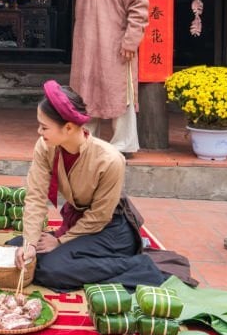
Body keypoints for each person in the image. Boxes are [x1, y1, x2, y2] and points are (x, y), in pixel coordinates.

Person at [0, 0, 148, 154]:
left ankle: (124, 145)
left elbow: (139, 6)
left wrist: (131, 41)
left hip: (116, 44)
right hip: (87, 43)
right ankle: (87, 142)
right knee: (86, 92)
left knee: (119, 93)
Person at [11, 81, 167, 292]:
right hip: (79, 223)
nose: (39, 131)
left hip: (110, 230)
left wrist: (61, 241)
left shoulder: (110, 159)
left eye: (44, 127)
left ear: (67, 128)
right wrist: (29, 243)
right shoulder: (45, 146)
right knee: (15, 248)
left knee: (50, 269)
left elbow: (99, 217)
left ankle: (138, 266)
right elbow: (36, 196)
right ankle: (68, 258)